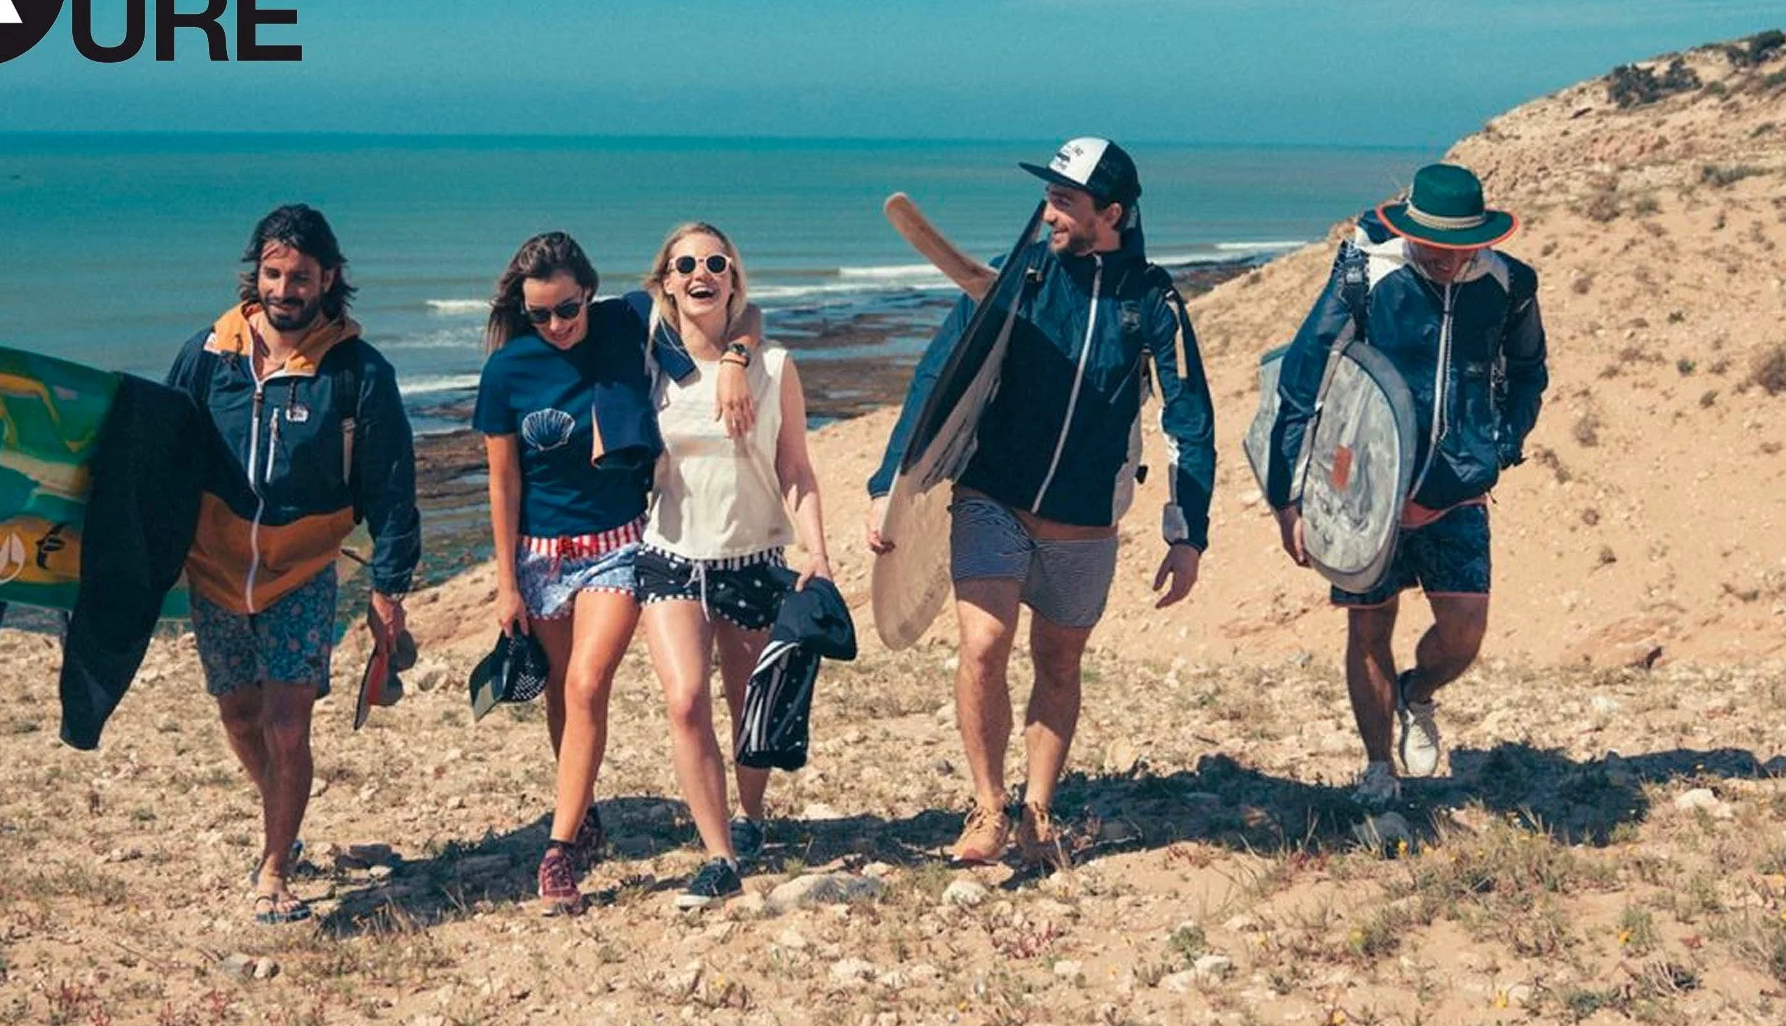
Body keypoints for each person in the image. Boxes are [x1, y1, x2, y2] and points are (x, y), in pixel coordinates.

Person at [866, 138, 1216, 868]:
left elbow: (1190, 416)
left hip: (1086, 520)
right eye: (1048, 197)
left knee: (1058, 664)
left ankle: (1038, 810)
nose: (1049, 211)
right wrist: (890, 486)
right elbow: (941, 373)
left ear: (1111, 213)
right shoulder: (1022, 277)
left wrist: (1187, 533)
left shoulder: (1153, 301)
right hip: (994, 494)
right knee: (984, 647)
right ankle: (988, 805)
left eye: (1066, 200)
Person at [1262, 162, 1546, 805]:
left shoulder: (1509, 285)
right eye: (1435, 246)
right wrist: (1288, 495)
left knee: (1465, 632)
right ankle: (1377, 769)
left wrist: (1502, 444)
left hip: (1457, 491)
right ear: (1412, 230)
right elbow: (1303, 376)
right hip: (1364, 491)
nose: (1447, 260)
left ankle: (1417, 695)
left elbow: (1530, 370)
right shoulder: (1367, 275)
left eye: (1460, 247)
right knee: (1368, 630)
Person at [167, 204, 420, 924]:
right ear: (258, 274)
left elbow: (392, 487)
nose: (285, 289)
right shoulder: (209, 355)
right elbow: (159, 455)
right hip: (213, 568)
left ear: (328, 278)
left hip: (303, 570)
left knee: (286, 723)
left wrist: (389, 586)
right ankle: (284, 814)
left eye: (300, 276)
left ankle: (274, 868)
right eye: (274, 273)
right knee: (240, 718)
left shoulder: (358, 373)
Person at [635, 222, 832, 910]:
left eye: (716, 262)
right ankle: (718, 854)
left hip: (752, 557)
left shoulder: (774, 367)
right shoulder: (648, 368)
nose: (702, 272)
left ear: (733, 279)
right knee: (686, 699)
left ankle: (749, 819)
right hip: (669, 558)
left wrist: (820, 554)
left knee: (750, 706)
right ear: (664, 281)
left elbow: (797, 468)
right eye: (685, 263)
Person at [472, 232, 655, 913]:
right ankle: (584, 818)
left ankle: (557, 851)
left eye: (567, 310)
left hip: (617, 544)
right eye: (540, 315)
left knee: (586, 683)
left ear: (590, 291)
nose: (555, 326)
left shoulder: (622, 324)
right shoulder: (507, 371)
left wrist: (735, 355)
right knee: (560, 695)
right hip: (541, 555)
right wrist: (506, 581)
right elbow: (502, 482)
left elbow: (708, 298)